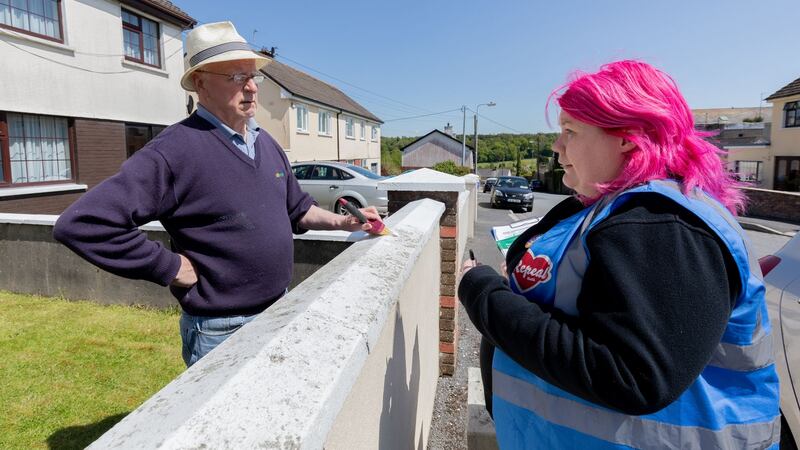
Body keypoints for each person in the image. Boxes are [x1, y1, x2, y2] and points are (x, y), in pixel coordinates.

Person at [458, 60, 780, 449]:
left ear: (628, 136)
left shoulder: (658, 224)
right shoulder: (605, 209)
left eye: (570, 131)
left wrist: (481, 291)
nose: (557, 147)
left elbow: (631, 376)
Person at [53, 22, 382, 367]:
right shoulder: (173, 151)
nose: (252, 88)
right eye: (236, 77)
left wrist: (346, 222)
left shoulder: (266, 143)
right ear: (200, 82)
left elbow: (298, 209)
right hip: (222, 330)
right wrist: (170, 266)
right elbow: (83, 224)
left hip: (281, 307)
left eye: (254, 76)